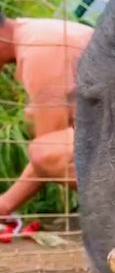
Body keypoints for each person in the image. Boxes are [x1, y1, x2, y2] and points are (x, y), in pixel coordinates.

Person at [0, 15, 93, 216]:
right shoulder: (36, 32)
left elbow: (50, 153)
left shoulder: (38, 50)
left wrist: (5, 205)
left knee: (44, 148)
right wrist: (5, 205)